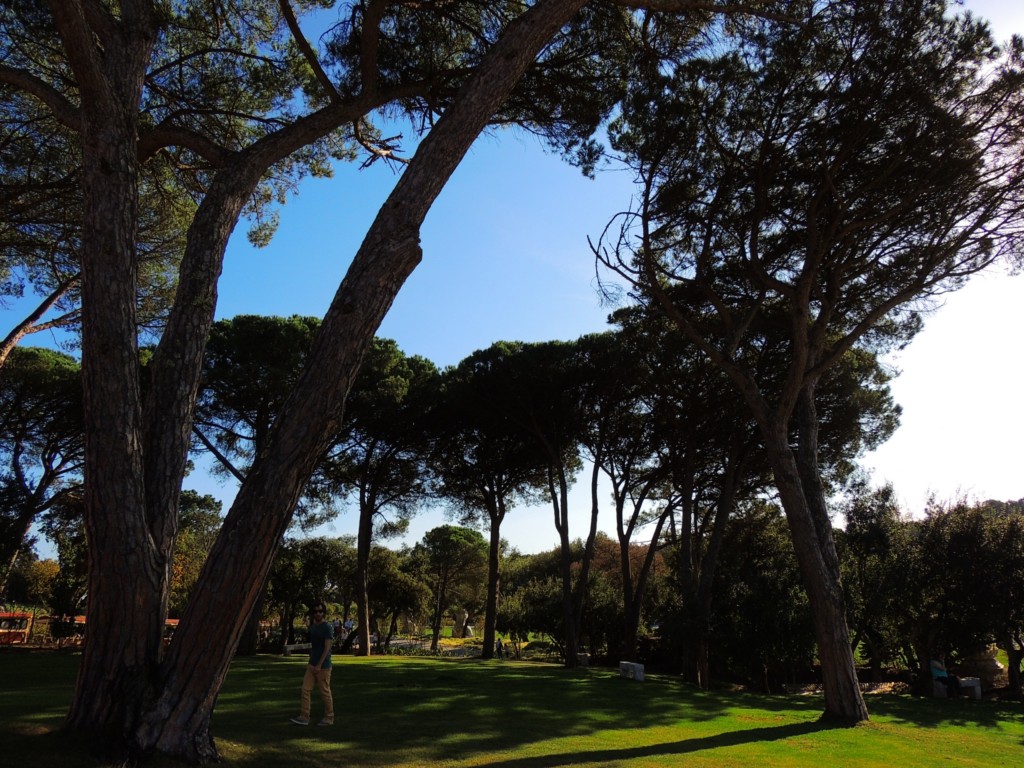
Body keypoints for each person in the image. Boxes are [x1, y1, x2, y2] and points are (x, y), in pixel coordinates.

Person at [291, 602, 335, 726]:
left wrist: (319, 665)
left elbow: (327, 648)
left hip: (324, 666)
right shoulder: (313, 627)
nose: (318, 613)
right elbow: (314, 646)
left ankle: (329, 717)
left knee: (325, 692)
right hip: (312, 664)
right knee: (305, 689)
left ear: (323, 613)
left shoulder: (327, 627)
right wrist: (311, 662)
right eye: (315, 611)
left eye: (320, 611)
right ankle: (304, 716)